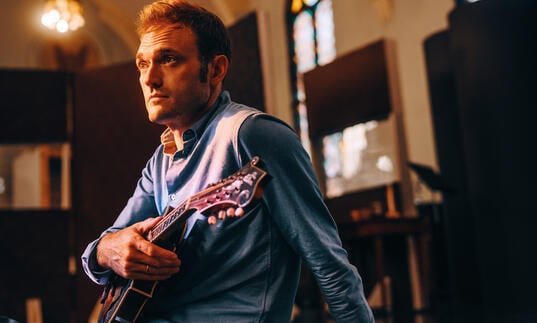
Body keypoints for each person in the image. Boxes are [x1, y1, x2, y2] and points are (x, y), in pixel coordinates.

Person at [81, 1, 374, 322]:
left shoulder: (254, 135)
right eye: (141, 64)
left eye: (168, 59)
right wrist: (108, 251)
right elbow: (105, 243)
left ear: (216, 69)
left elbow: (328, 263)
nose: (150, 78)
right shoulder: (159, 162)